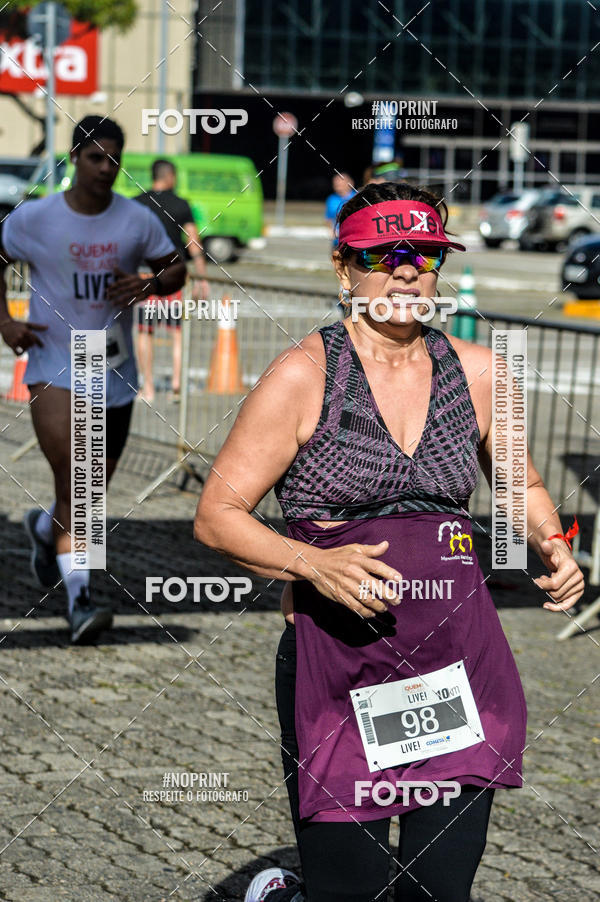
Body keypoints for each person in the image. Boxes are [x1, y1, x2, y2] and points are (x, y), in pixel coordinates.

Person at [194, 181, 584, 902]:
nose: (406, 272)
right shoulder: (304, 374)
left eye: (424, 256)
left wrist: (551, 541)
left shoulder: (482, 372)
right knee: (352, 890)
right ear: (344, 269)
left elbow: (520, 482)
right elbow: (218, 514)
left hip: (456, 664)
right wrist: (314, 563)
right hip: (339, 662)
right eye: (382, 256)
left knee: (439, 888)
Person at [0, 115, 186, 643]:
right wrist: (6, 322)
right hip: (54, 364)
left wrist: (150, 284)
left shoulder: (136, 219)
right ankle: (80, 602)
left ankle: (43, 528)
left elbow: (176, 268)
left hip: (112, 370)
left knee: (85, 492)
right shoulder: (36, 218)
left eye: (114, 160)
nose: (106, 168)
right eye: (95, 157)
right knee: (77, 485)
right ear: (74, 160)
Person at [134, 158, 209, 402]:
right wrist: (202, 277)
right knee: (177, 332)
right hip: (174, 274)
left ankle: (148, 389)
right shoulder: (180, 204)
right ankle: (176, 386)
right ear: (170, 177)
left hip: (145, 274)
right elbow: (193, 242)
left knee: (145, 332)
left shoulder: (137, 203)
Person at [324, 172, 355, 249]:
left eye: (340, 183)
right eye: (335, 183)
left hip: (354, 240)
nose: (337, 185)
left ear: (350, 183)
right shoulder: (331, 199)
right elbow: (328, 218)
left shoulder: (357, 197)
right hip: (337, 241)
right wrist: (331, 230)